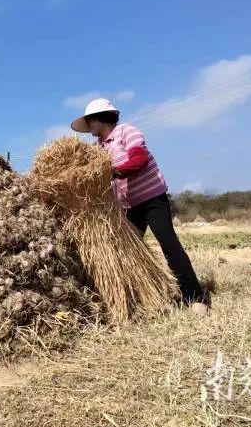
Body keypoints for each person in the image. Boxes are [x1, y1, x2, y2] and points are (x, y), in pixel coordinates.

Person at [71, 98, 209, 316]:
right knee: (129, 249)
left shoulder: (127, 132)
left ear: (98, 120)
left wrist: (111, 172)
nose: (88, 129)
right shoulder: (98, 148)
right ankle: (147, 296)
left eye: (89, 124)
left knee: (169, 245)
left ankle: (195, 297)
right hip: (129, 204)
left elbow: (139, 159)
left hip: (152, 199)